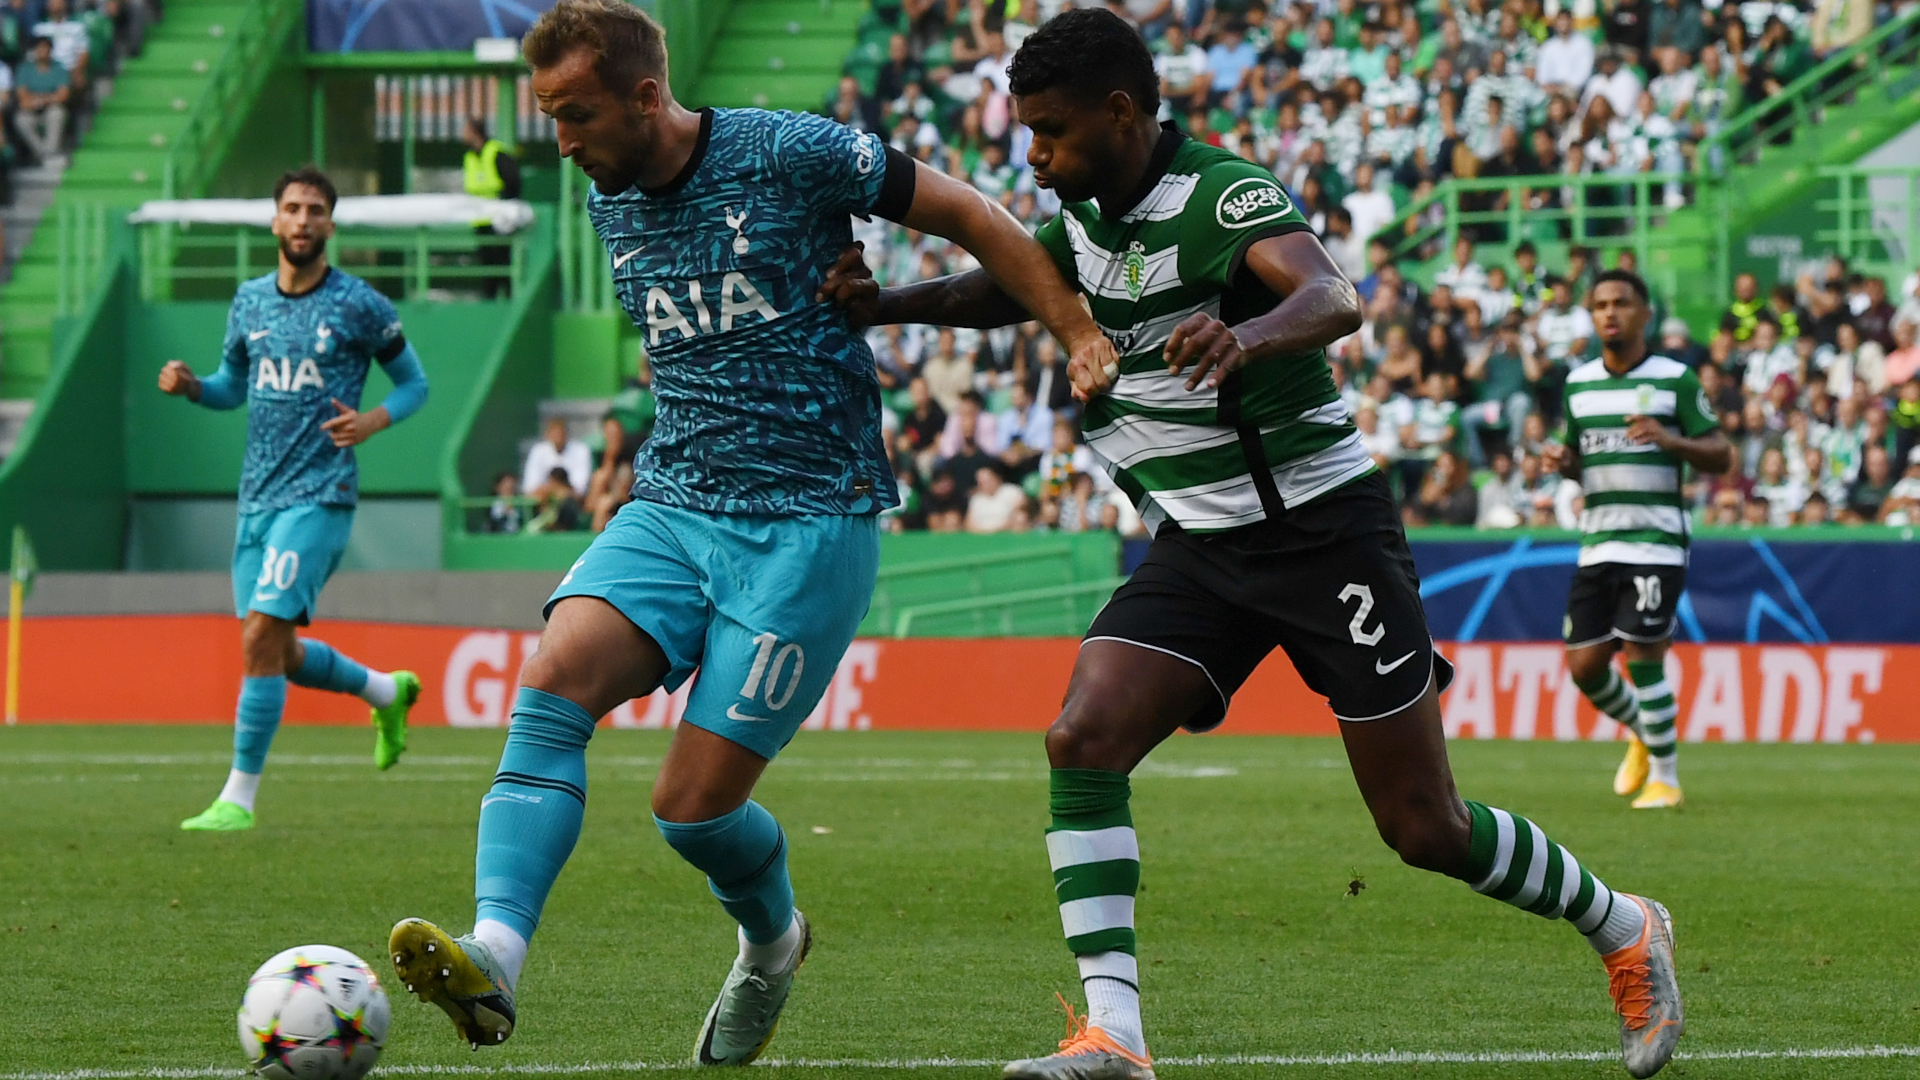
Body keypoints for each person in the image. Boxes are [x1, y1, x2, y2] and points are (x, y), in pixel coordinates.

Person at [822, 12, 1684, 1079]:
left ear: (1121, 114)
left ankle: (1623, 925)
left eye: (1047, 132)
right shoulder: (1083, 218)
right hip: (1200, 546)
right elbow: (1001, 292)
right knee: (1082, 735)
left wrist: (1248, 333)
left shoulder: (1224, 195)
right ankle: (1115, 1036)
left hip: (1325, 537)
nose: (1031, 156)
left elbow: (1333, 295)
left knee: (1424, 827)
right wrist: (885, 306)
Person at [383, 0, 1118, 1064]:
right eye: (549, 116)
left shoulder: (789, 150)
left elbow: (974, 216)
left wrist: (1077, 331)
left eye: (577, 114)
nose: (562, 142)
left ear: (644, 96)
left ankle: (773, 944)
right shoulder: (609, 196)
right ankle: (496, 952)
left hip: (808, 527)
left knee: (690, 813)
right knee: (551, 683)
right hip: (675, 505)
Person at [156, 166, 430, 831]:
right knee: (271, 649)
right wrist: (195, 387)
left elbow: (414, 384)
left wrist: (373, 421)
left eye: (315, 210)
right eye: (292, 208)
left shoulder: (359, 304)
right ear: (274, 221)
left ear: (330, 225)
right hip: (257, 500)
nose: (303, 220)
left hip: (321, 495)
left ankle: (238, 799)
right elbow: (231, 385)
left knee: (260, 634)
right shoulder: (249, 302)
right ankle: (385, 691)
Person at [1542, 270, 1730, 812]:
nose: (1609, 313)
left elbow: (1722, 455)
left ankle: (1667, 781)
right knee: (1584, 666)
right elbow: (1582, 463)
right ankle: (1645, 732)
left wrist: (1670, 439)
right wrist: (1565, 462)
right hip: (1598, 542)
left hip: (1655, 542)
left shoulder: (1676, 380)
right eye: (1600, 304)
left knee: (1644, 657)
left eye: (1621, 303)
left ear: (1645, 313)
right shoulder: (1578, 385)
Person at [462, 116, 523, 297]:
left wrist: (506, 209)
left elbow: (513, 181)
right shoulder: (469, 158)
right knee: (486, 265)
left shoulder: (496, 153)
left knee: (502, 263)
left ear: (474, 132)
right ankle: (489, 299)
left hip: (499, 220)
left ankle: (508, 297)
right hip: (480, 221)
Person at [520, 415, 591, 498]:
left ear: (566, 434)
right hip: (543, 498)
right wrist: (550, 489)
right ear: (547, 434)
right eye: (554, 433)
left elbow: (580, 488)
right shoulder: (538, 451)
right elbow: (530, 487)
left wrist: (560, 490)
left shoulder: (581, 450)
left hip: (571, 500)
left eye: (560, 433)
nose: (558, 437)